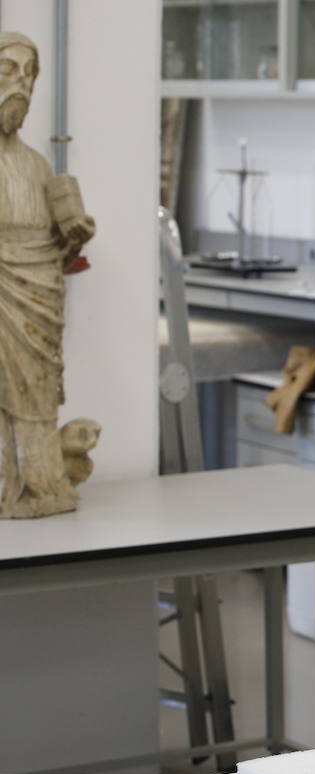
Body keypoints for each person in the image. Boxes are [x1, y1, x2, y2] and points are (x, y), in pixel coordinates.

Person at [0, 31, 98, 519]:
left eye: (29, 76)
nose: (20, 87)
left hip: (36, 301)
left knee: (36, 393)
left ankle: (43, 487)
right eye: (7, 71)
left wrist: (72, 236)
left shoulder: (40, 166)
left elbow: (57, 253)